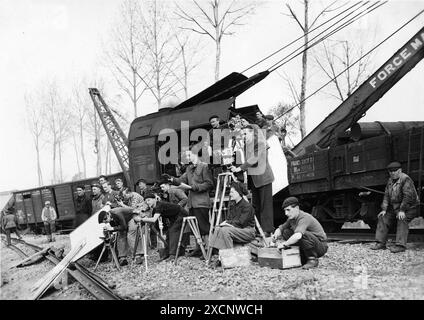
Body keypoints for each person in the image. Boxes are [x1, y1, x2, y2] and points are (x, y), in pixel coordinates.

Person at [166, 148, 214, 258]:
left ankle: (209, 249)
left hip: (201, 202)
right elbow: (181, 180)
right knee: (195, 227)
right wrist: (171, 179)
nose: (187, 158)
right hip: (192, 203)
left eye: (188, 155)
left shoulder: (204, 166)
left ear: (195, 155)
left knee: (204, 227)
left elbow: (209, 184)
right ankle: (198, 249)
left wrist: (194, 187)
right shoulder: (189, 169)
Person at [230, 124, 275, 235]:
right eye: (243, 134)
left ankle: (267, 230)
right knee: (256, 206)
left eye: (246, 134)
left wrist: (240, 168)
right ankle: (259, 230)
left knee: (265, 205)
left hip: (263, 178)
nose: (244, 136)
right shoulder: (246, 145)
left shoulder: (261, 142)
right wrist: (236, 167)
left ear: (252, 132)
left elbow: (254, 159)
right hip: (254, 179)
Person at [371, 161, 419, 253]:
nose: (392, 173)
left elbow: (408, 197)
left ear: (400, 170)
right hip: (396, 208)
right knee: (383, 217)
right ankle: (380, 243)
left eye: (395, 171)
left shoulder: (406, 179)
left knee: (402, 218)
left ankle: (400, 245)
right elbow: (386, 196)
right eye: (390, 171)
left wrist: (402, 210)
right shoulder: (390, 181)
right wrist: (384, 209)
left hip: (410, 207)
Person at [272, 197, 328, 269]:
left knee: (301, 234)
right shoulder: (291, 218)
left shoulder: (304, 218)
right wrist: (275, 236)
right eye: (285, 210)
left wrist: (284, 244)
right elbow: (281, 228)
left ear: (297, 208)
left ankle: (312, 260)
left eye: (288, 210)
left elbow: (298, 236)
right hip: (313, 243)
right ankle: (302, 257)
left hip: (320, 246)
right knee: (286, 232)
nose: (286, 213)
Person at [141, 192, 189, 261]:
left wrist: (142, 219)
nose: (147, 202)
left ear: (154, 199)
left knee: (173, 232)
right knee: (168, 233)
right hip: (173, 217)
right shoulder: (155, 208)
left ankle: (173, 255)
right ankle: (168, 254)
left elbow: (153, 219)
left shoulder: (159, 205)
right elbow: (153, 220)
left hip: (181, 213)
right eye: (146, 201)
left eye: (149, 200)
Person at [208, 182, 256, 251]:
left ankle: (230, 256)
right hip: (236, 229)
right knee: (217, 229)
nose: (230, 194)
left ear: (239, 193)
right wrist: (225, 223)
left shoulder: (247, 206)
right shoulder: (233, 205)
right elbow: (230, 219)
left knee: (225, 231)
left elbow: (241, 223)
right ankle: (219, 257)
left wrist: (227, 223)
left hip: (248, 231)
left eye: (232, 192)